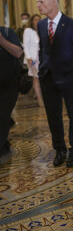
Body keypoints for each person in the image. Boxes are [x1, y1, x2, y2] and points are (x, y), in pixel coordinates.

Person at [37, 0, 73, 168]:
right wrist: (41, 69)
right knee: (53, 116)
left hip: (69, 78)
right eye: (38, 2)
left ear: (53, 2)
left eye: (41, 2)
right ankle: (60, 149)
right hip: (48, 78)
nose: (38, 5)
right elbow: (43, 49)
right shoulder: (42, 24)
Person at [0, 26, 23, 160]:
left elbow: (19, 53)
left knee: (3, 115)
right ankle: (4, 144)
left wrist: (2, 41)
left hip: (9, 84)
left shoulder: (8, 32)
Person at [23, 14, 44, 107]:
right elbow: (25, 45)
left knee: (42, 78)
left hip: (42, 58)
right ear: (32, 21)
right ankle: (40, 100)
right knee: (36, 78)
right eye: (35, 19)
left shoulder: (42, 31)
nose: (37, 21)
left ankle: (44, 97)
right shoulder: (28, 31)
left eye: (39, 19)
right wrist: (28, 57)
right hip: (32, 58)